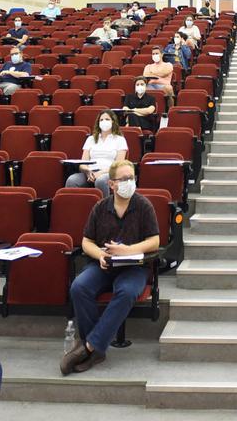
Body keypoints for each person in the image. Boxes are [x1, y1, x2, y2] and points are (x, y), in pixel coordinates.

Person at [62, 159, 159, 375]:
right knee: (79, 287)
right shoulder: (100, 207)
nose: (129, 182)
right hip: (104, 264)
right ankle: (96, 350)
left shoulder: (143, 205)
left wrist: (129, 250)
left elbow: (154, 241)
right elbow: (87, 241)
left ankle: (89, 346)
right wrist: (100, 255)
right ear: (112, 184)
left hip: (134, 267)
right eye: (124, 179)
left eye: (132, 178)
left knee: (126, 292)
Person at [65, 111, 129, 197]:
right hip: (90, 172)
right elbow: (83, 163)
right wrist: (87, 171)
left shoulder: (120, 139)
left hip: (109, 172)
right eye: (101, 120)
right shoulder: (91, 139)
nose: (104, 122)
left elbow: (118, 165)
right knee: (72, 180)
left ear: (113, 121)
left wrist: (101, 173)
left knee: (101, 180)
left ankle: (104, 208)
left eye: (107, 119)